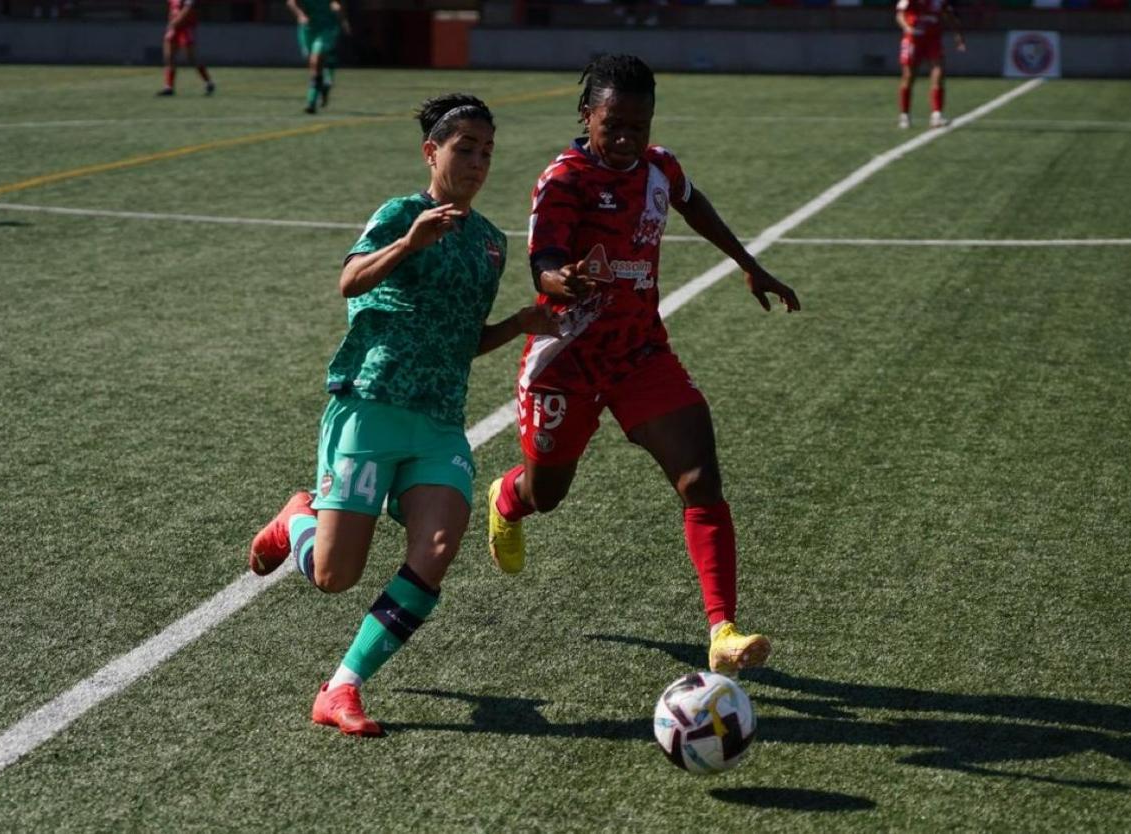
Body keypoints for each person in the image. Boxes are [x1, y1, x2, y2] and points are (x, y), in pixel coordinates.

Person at [247, 94, 557, 737]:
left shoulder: (490, 244)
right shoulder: (400, 214)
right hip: (372, 406)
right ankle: (297, 517)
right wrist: (409, 244)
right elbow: (351, 280)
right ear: (431, 152)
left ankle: (342, 687)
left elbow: (460, 339)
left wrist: (518, 324)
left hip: (440, 421)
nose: (477, 162)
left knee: (438, 548)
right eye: (464, 149)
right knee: (335, 576)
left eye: (487, 152)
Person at [486, 54, 800, 678]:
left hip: (639, 354)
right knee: (547, 493)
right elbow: (542, 262)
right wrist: (561, 279)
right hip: (566, 360)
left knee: (699, 478)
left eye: (640, 124)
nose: (628, 137)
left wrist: (748, 263)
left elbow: (692, 202)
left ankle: (722, 630)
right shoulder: (565, 180)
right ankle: (508, 497)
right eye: (615, 125)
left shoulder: (660, 168)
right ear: (587, 116)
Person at [896, 0, 966, 129]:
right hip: (913, 39)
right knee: (909, 76)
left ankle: (936, 115)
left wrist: (957, 35)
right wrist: (907, 27)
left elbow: (949, 14)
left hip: (933, 39)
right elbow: (900, 14)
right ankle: (904, 115)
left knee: (938, 71)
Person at [286, 0, 351, 114]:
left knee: (316, 60)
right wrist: (301, 15)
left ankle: (311, 102)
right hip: (308, 28)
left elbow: (338, 4)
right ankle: (325, 85)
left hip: (327, 27)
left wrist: (343, 19)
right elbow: (291, 2)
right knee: (312, 63)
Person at [157, 0, 215, 97]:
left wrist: (175, 22)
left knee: (191, 58)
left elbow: (188, 9)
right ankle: (168, 87)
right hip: (174, 28)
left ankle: (208, 82)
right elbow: (172, 8)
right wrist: (171, 24)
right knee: (169, 57)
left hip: (186, 27)